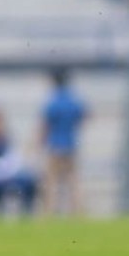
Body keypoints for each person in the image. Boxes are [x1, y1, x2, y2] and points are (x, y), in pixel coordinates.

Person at [39, 68, 87, 215]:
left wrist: (39, 143)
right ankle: (77, 211)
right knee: (73, 182)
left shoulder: (53, 101)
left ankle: (50, 212)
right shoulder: (73, 100)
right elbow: (83, 115)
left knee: (51, 182)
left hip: (55, 146)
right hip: (71, 145)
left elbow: (46, 125)